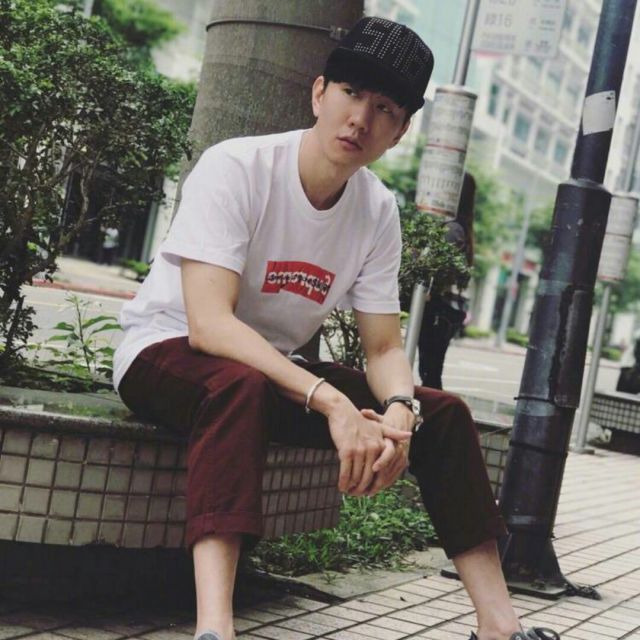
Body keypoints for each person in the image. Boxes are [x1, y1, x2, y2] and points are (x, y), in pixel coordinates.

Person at [113, 17, 560, 640]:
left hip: (271, 373)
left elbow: (384, 346)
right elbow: (210, 326)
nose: (360, 119)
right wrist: (330, 402)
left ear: (400, 132)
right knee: (238, 386)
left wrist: (399, 410)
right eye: (351, 93)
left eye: (385, 109)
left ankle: (499, 626)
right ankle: (215, 627)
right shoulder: (238, 166)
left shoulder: (377, 210)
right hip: (166, 351)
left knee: (444, 414)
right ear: (319, 92)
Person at [418, 173, 475, 389]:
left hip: (440, 309)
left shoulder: (453, 229)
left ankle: (434, 410)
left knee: (429, 372)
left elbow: (437, 268)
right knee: (430, 370)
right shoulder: (459, 227)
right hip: (447, 310)